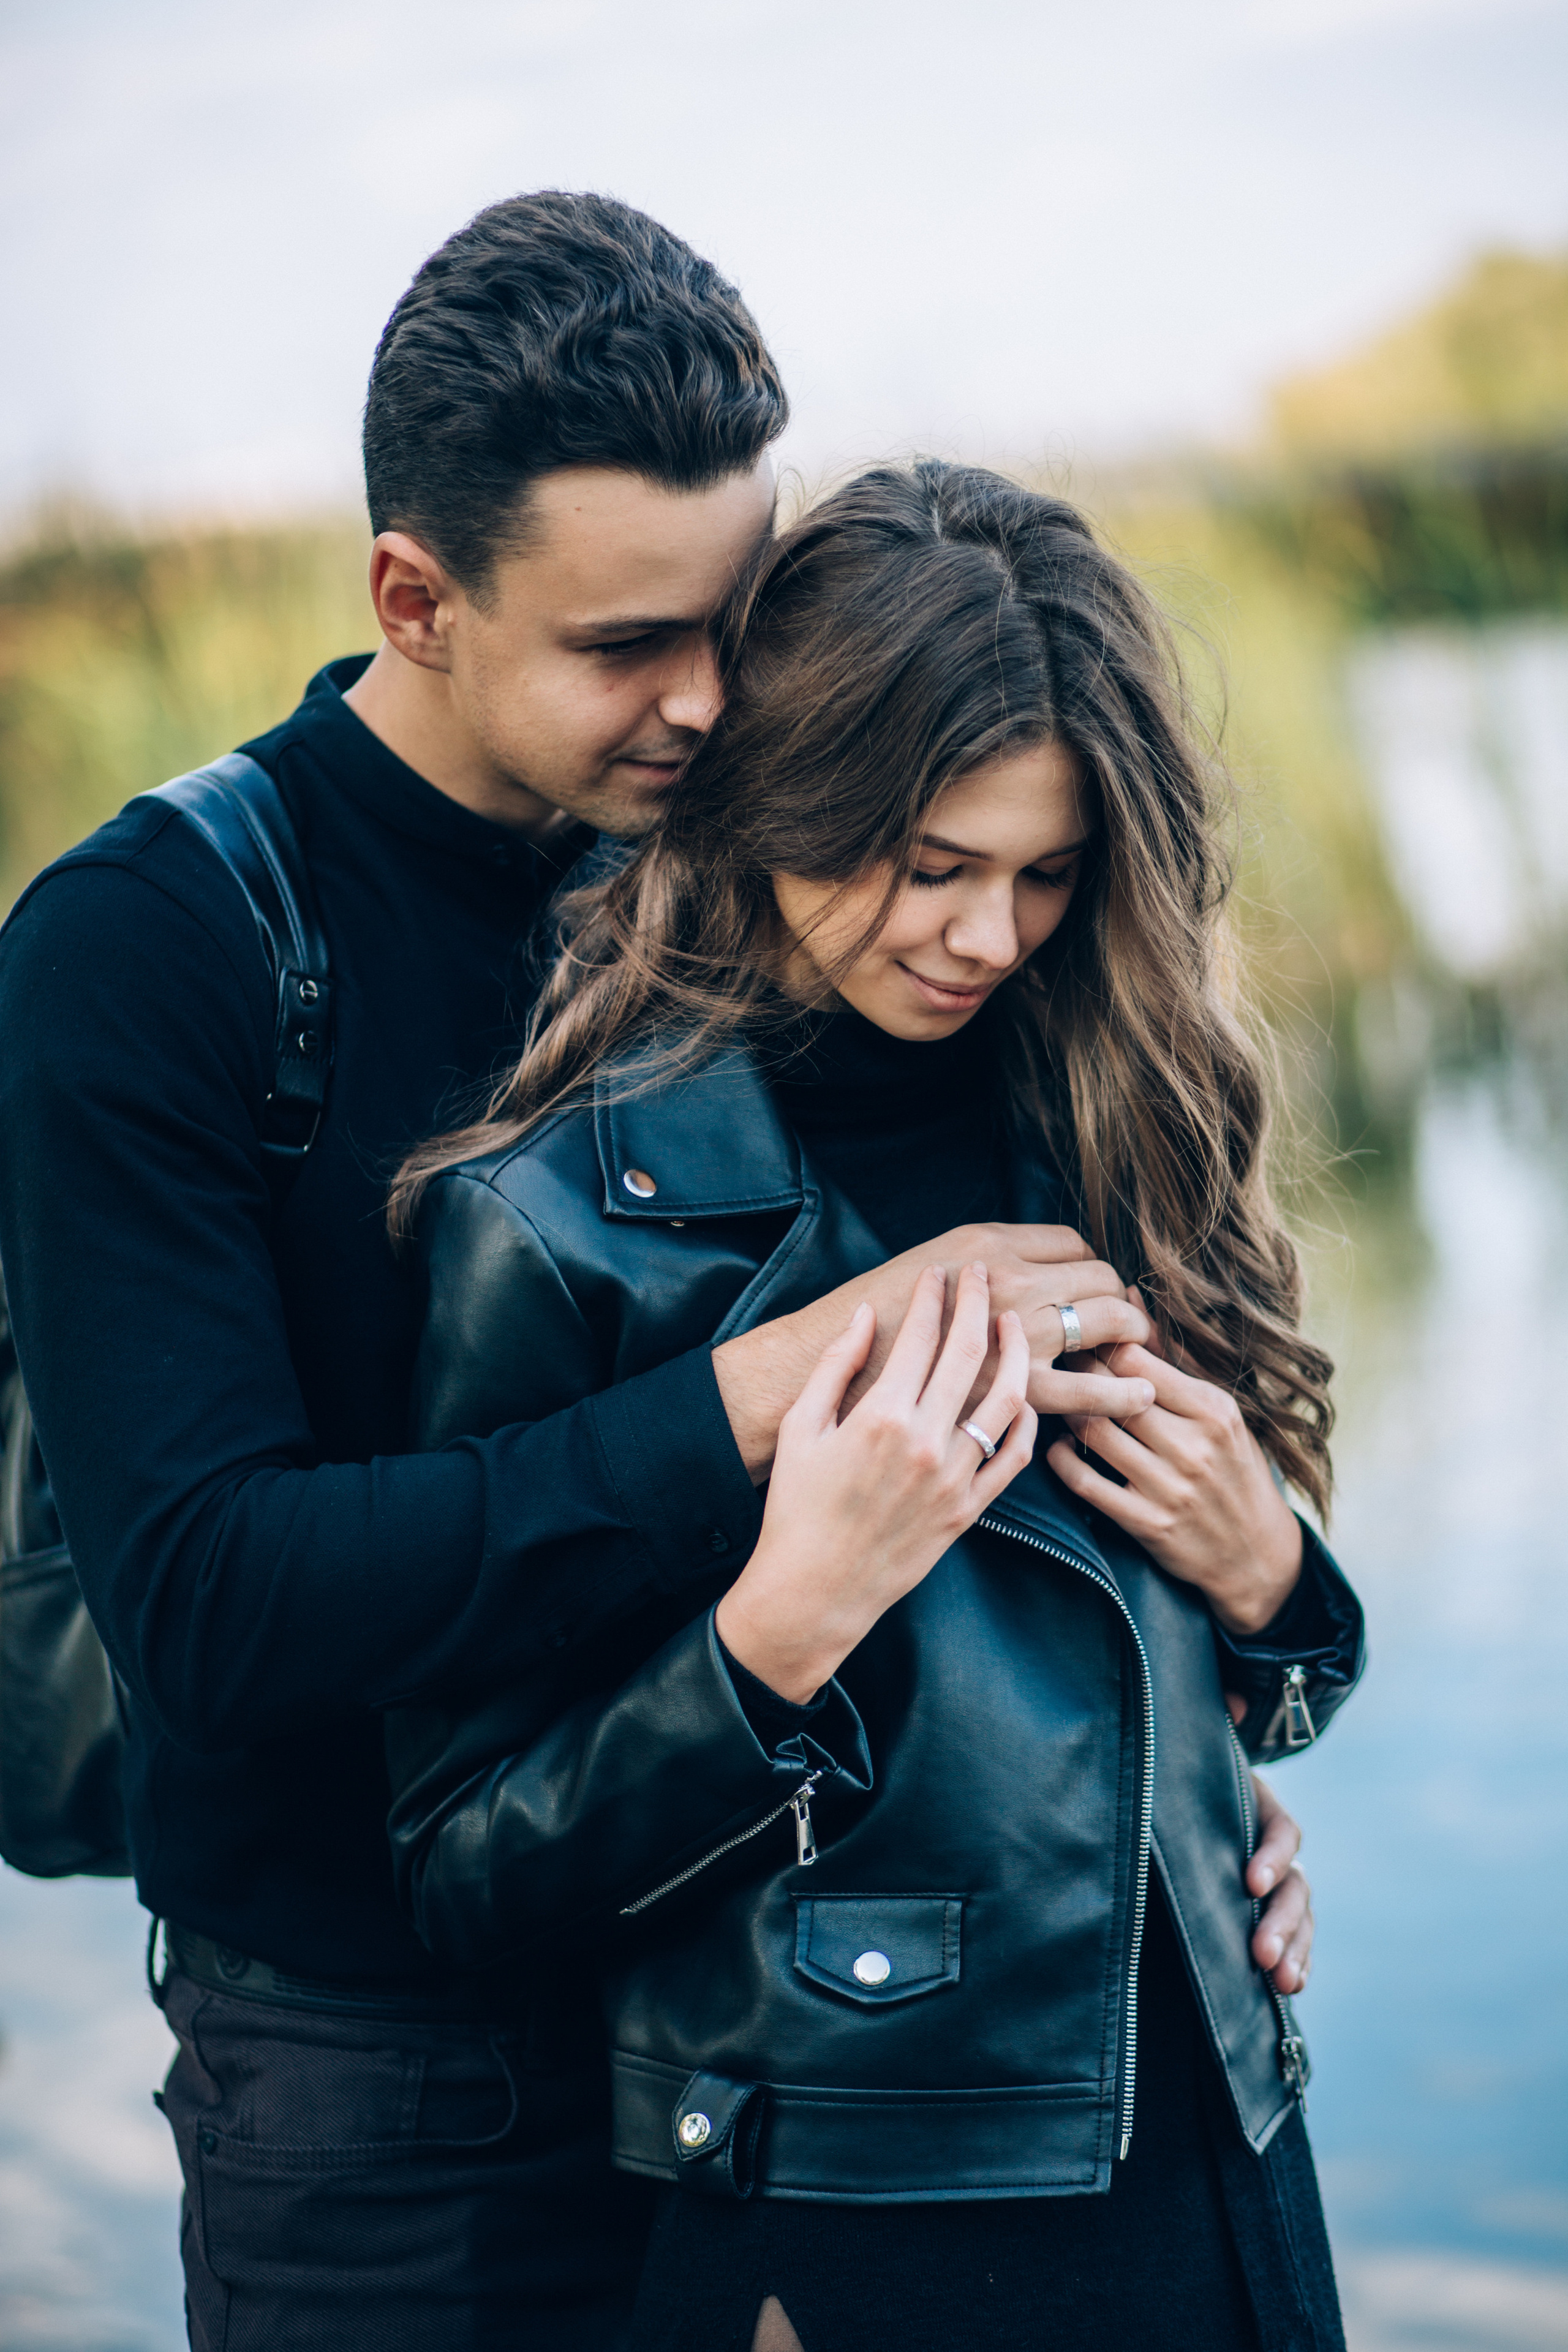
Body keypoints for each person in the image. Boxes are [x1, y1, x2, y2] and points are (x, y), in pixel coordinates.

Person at [0, 197, 1313, 2348]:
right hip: (381, 2088)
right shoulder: (153, 949)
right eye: (629, 646)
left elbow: (998, 1500)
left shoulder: (738, 863)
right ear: (412, 598)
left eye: (738, 616)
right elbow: (213, 1603)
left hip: (758, 2049)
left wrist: (1173, 1806)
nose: (711, 707)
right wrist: (752, 1405)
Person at [385, 461, 1365, 2352]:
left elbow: (1203, 1708)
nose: (990, 938)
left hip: (1217, 2155)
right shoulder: (568, 1223)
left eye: (1047, 872)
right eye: (931, 864)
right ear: (789, 797)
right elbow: (466, 1868)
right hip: (837, 2208)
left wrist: (1278, 1591)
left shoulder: (1115, 1120)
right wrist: (782, 1623)